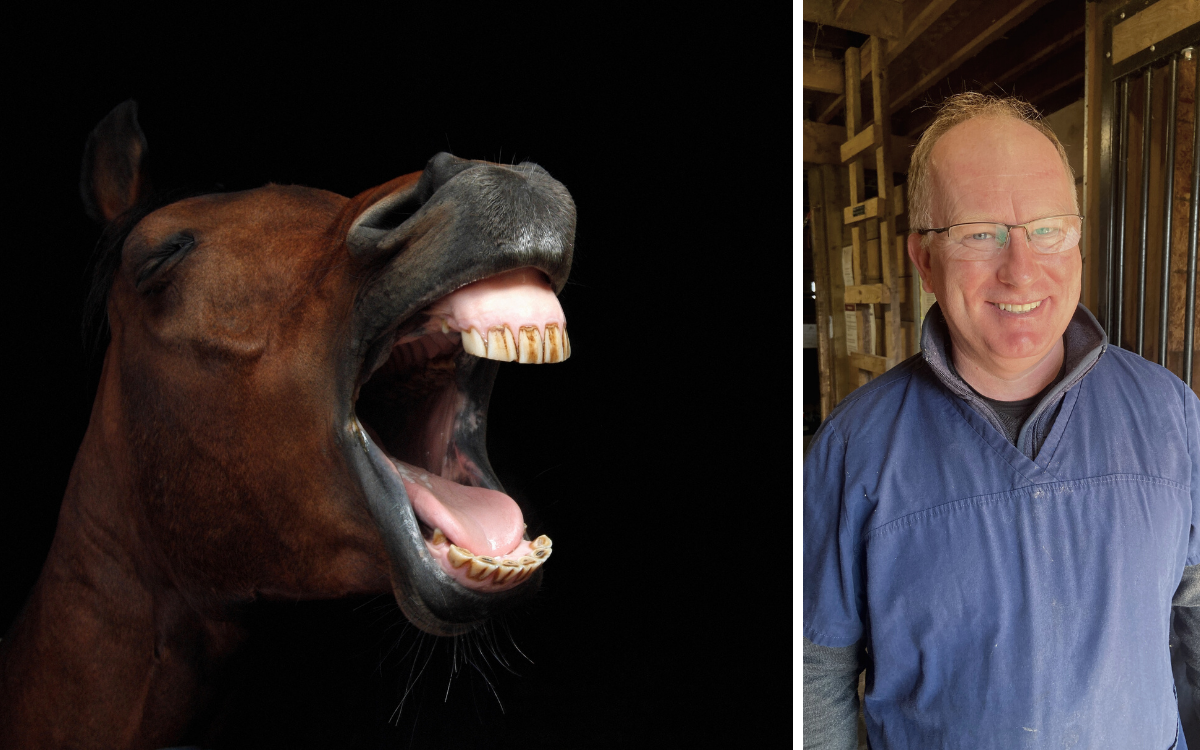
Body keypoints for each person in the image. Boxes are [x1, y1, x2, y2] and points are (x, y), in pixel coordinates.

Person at [803, 92, 1200, 748]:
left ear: (1076, 241)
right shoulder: (853, 448)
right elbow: (817, 668)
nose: (1022, 270)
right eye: (980, 233)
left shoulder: (1170, 414)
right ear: (924, 260)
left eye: (1047, 229)